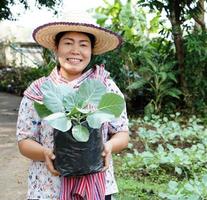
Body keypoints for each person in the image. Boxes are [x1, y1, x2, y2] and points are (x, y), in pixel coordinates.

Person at [16, 11, 129, 200]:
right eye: (68, 43)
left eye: (83, 45)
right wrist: (45, 153)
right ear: (56, 48)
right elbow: (24, 140)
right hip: (48, 188)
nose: (75, 51)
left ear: (91, 51)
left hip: (97, 186)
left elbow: (122, 133)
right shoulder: (39, 90)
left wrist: (108, 147)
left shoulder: (105, 86)